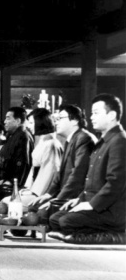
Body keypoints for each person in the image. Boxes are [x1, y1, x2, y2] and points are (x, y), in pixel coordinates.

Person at [49, 94, 126, 244]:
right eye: (92, 113)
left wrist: (91, 204)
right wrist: (79, 200)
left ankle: (118, 236)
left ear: (111, 115)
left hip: (111, 211)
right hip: (97, 206)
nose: (91, 117)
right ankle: (77, 234)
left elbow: (115, 183)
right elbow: (92, 182)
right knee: (55, 219)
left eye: (96, 113)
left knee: (66, 222)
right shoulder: (104, 141)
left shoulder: (120, 141)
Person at [27, 104, 95, 225]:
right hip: (66, 194)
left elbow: (77, 175)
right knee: (34, 206)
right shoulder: (72, 138)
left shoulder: (83, 138)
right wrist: (48, 194)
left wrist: (57, 199)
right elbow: (60, 173)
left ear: (74, 121)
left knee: (41, 213)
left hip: (77, 196)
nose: (56, 122)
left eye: (60, 118)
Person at [1, 108, 62, 209]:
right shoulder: (43, 142)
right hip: (33, 188)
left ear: (40, 123)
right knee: (6, 201)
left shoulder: (50, 144)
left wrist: (34, 193)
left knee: (7, 203)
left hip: (42, 192)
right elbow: (33, 171)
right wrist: (27, 189)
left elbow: (48, 173)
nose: (28, 126)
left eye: (31, 123)